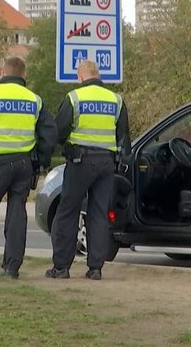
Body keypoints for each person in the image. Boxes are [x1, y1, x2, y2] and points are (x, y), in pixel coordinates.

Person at [0, 57, 56, 278]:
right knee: (17, 213)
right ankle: (12, 267)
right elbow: (49, 134)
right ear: (24, 74)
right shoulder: (34, 99)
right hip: (24, 165)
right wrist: (40, 161)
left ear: (3, 72)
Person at [46, 60, 131, 280]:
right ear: (98, 75)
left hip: (79, 161)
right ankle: (95, 268)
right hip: (106, 164)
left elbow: (60, 130)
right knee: (99, 213)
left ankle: (61, 267)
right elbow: (123, 136)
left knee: (68, 212)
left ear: (81, 76)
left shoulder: (74, 98)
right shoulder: (116, 100)